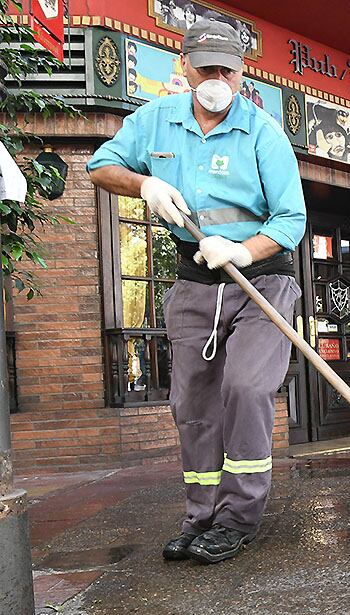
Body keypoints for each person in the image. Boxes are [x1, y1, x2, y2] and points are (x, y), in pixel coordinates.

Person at [87, 18, 306, 563]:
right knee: (193, 402)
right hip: (193, 281)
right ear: (183, 65)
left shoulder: (263, 133)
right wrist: (145, 184)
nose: (216, 79)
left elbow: (291, 218)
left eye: (227, 70)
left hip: (261, 278)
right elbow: (100, 167)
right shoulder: (155, 121)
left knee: (248, 388)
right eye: (206, 67)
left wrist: (242, 249)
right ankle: (200, 515)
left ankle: (238, 517)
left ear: (241, 72)